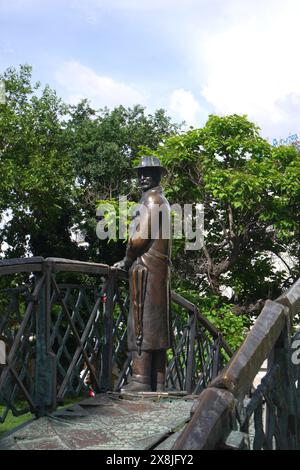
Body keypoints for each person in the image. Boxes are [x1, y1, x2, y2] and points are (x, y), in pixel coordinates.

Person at [114, 156, 172, 392]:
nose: (142, 178)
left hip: (146, 268)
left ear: (158, 175)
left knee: (141, 321)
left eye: (148, 173)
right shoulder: (164, 201)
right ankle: (157, 380)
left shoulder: (150, 199)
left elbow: (139, 238)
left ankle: (140, 380)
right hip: (159, 269)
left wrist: (127, 259)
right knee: (157, 323)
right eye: (140, 173)